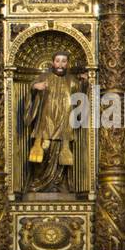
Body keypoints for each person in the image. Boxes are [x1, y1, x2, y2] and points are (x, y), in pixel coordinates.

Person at [24, 51, 87, 193]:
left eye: (64, 61)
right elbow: (32, 87)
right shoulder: (44, 77)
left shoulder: (72, 80)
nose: (60, 64)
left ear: (67, 64)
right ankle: (39, 183)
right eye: (58, 61)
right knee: (44, 154)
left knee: (61, 157)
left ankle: (59, 184)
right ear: (53, 63)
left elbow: (81, 98)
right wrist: (35, 87)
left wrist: (85, 82)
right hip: (45, 126)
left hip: (64, 126)